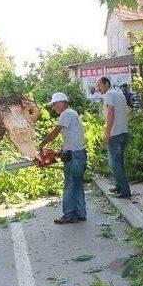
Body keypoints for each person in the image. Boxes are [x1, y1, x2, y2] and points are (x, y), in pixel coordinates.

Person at [39, 92, 87, 224]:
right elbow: (72, 137)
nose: (53, 107)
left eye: (54, 104)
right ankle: (80, 213)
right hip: (78, 153)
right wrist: (61, 151)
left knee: (70, 185)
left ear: (61, 103)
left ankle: (70, 214)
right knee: (77, 185)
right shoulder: (72, 113)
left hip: (74, 156)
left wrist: (42, 143)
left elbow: (55, 132)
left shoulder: (66, 114)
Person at [96, 77, 131, 198]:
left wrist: (107, 133)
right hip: (124, 132)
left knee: (115, 164)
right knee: (118, 162)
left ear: (106, 84)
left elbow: (111, 113)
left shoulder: (110, 94)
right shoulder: (119, 93)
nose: (97, 88)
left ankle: (125, 191)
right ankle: (119, 186)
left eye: (99, 85)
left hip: (115, 134)